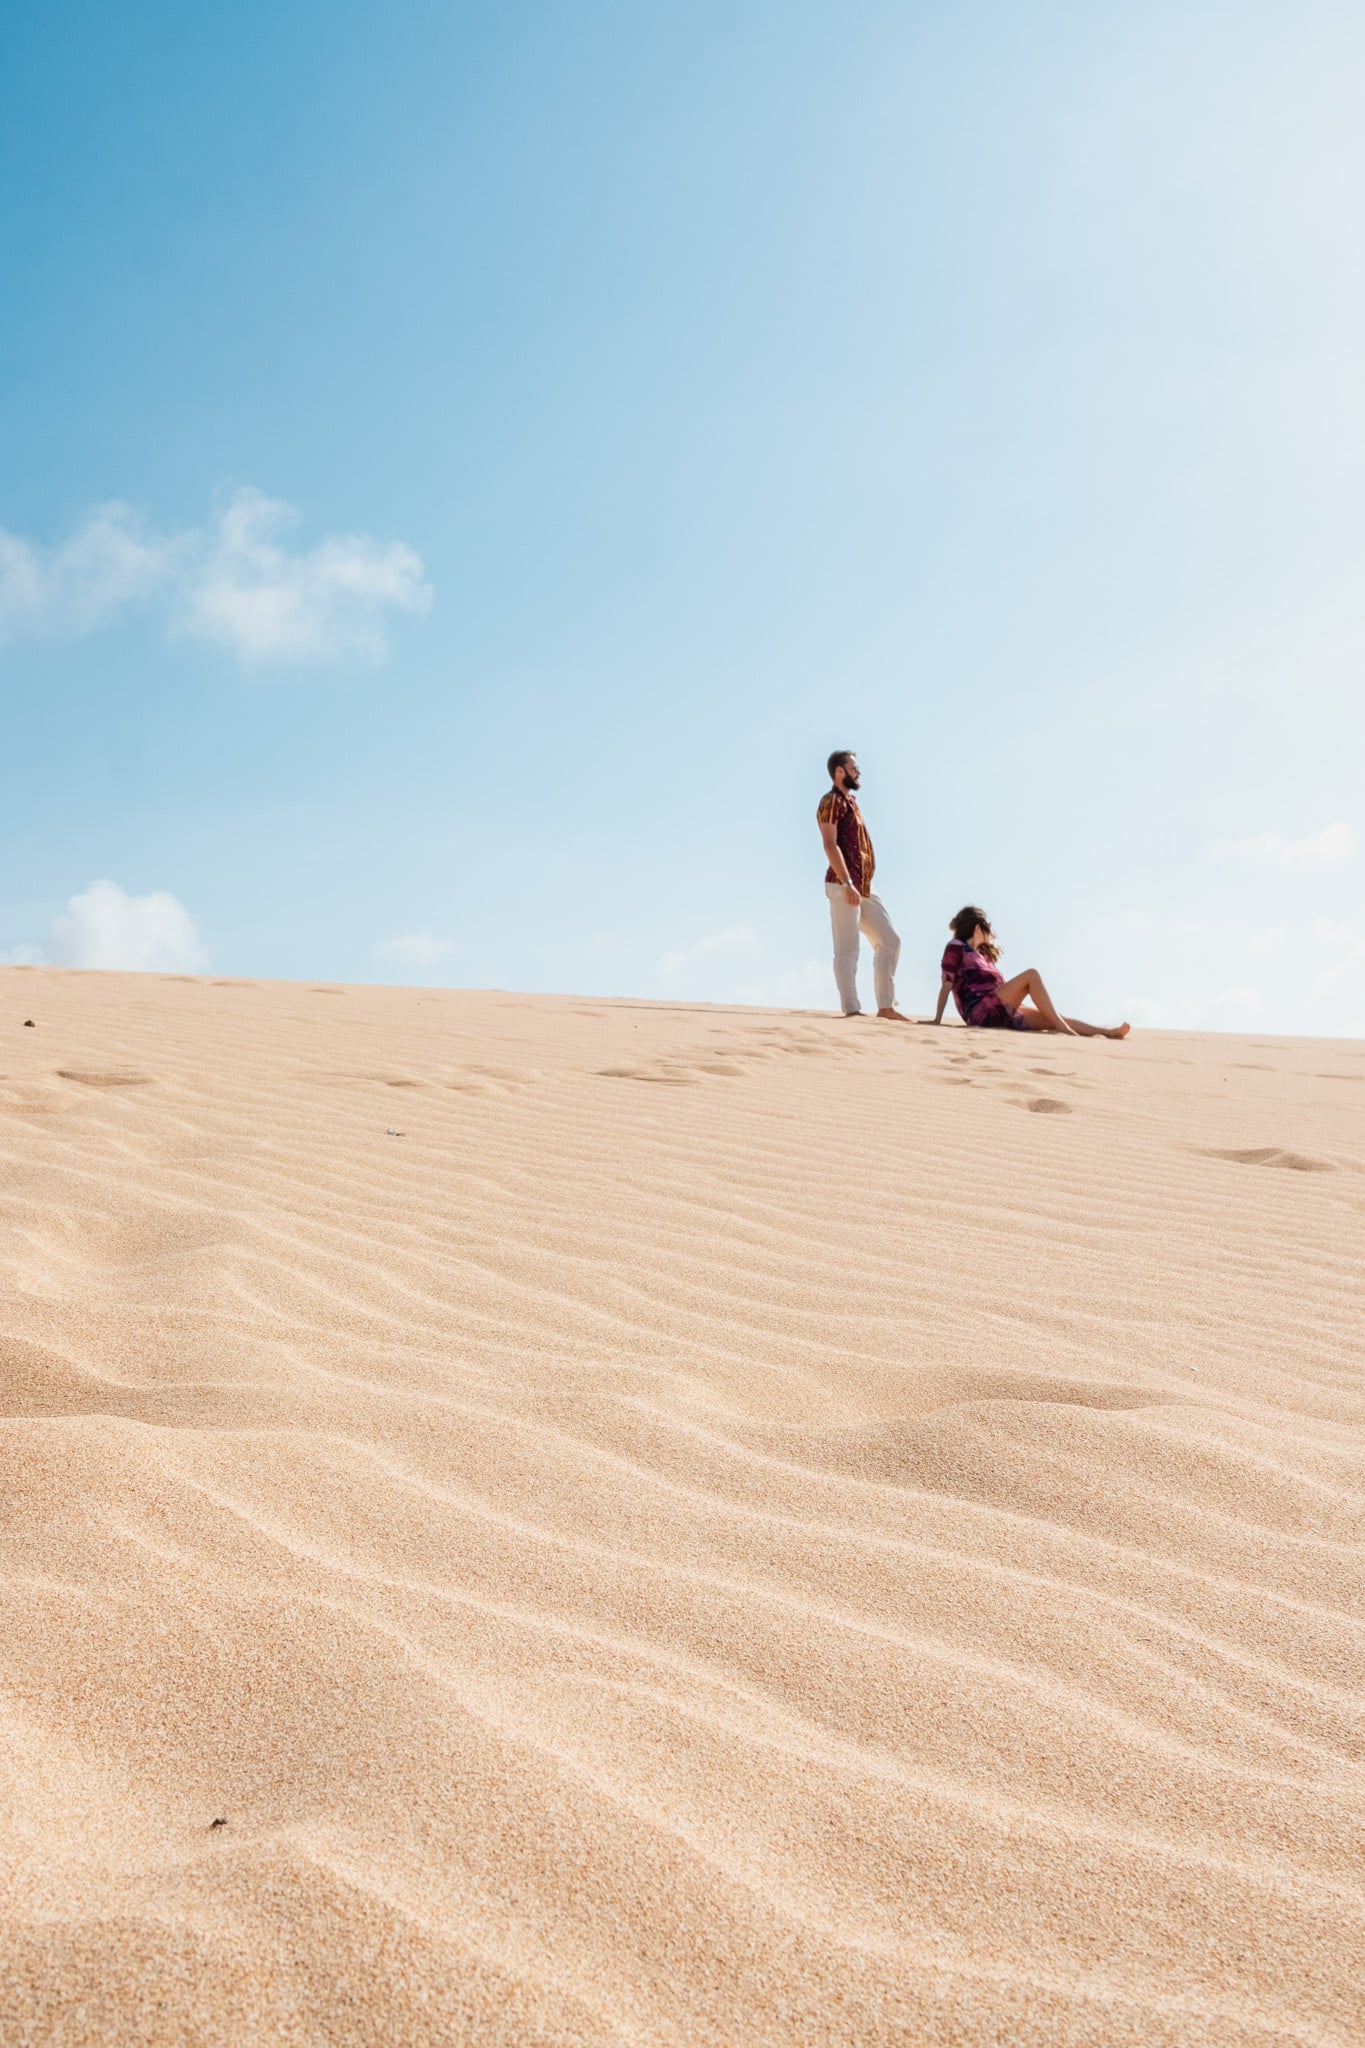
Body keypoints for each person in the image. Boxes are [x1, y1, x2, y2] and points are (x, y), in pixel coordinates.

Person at [933, 906, 1130, 1039]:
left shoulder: (983, 956)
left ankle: (1107, 1033)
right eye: (987, 928)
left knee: (1051, 1016)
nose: (991, 933)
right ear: (977, 928)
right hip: (981, 1013)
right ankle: (1064, 1029)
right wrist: (937, 1020)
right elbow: (947, 985)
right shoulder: (956, 947)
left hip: (999, 1010)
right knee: (1031, 975)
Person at [816, 751, 908, 1020]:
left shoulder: (852, 802)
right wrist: (846, 883)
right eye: (854, 768)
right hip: (843, 885)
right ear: (840, 771)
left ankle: (886, 1007)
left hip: (865, 886)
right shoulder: (831, 801)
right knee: (847, 949)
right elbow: (829, 844)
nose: (858, 772)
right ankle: (853, 1010)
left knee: (890, 940)